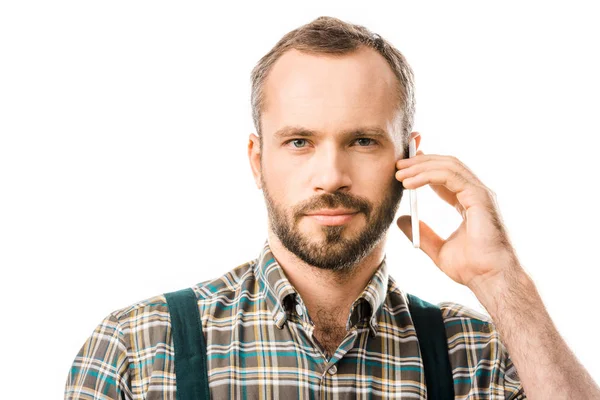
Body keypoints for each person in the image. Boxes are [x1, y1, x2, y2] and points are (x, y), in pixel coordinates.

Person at [65, 16, 600, 399]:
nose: (331, 177)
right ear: (258, 160)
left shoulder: (480, 358)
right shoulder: (138, 349)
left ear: (410, 156)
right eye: (299, 142)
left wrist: (502, 279)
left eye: (363, 141)